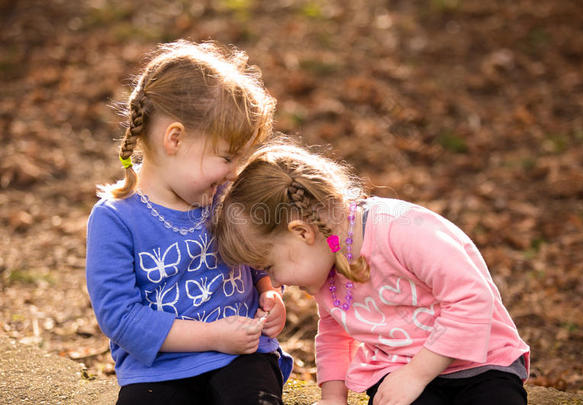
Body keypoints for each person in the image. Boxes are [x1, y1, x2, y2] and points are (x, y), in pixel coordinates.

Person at [212, 141, 530, 405]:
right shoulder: (327, 261)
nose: (276, 281)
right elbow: (335, 333)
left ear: (302, 233)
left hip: (482, 363)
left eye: (270, 267)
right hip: (397, 368)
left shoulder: (403, 232)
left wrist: (417, 375)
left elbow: (473, 298)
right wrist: (332, 397)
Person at [85, 40, 292, 405]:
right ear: (175, 139)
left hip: (240, 357)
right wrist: (211, 336)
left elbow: (257, 253)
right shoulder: (115, 219)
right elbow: (120, 317)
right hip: (159, 370)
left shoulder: (224, 195)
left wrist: (268, 290)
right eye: (226, 156)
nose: (235, 170)